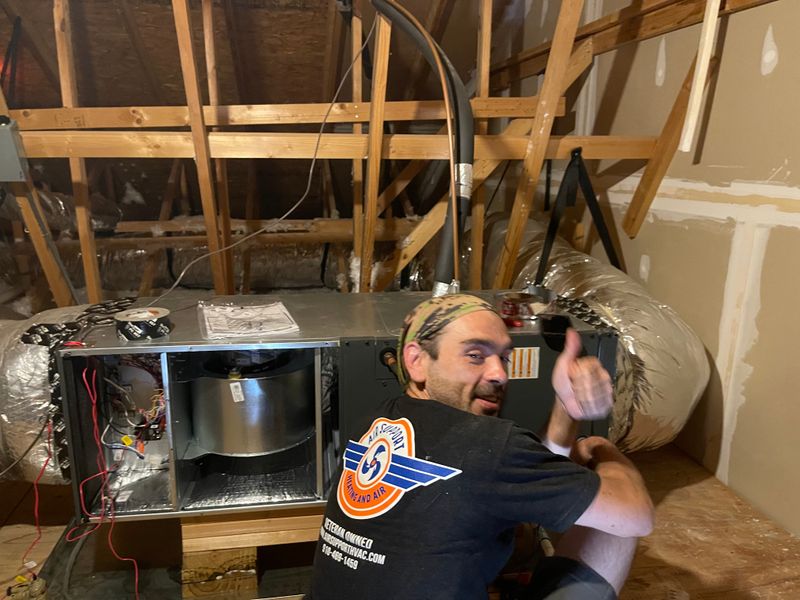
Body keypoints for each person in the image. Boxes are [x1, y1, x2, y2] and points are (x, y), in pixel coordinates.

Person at [312, 294, 653, 599]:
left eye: (504, 358)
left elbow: (529, 484)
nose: (500, 374)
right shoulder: (486, 444)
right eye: (475, 355)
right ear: (416, 361)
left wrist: (567, 407)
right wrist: (600, 448)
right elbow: (636, 517)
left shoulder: (370, 425)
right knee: (613, 513)